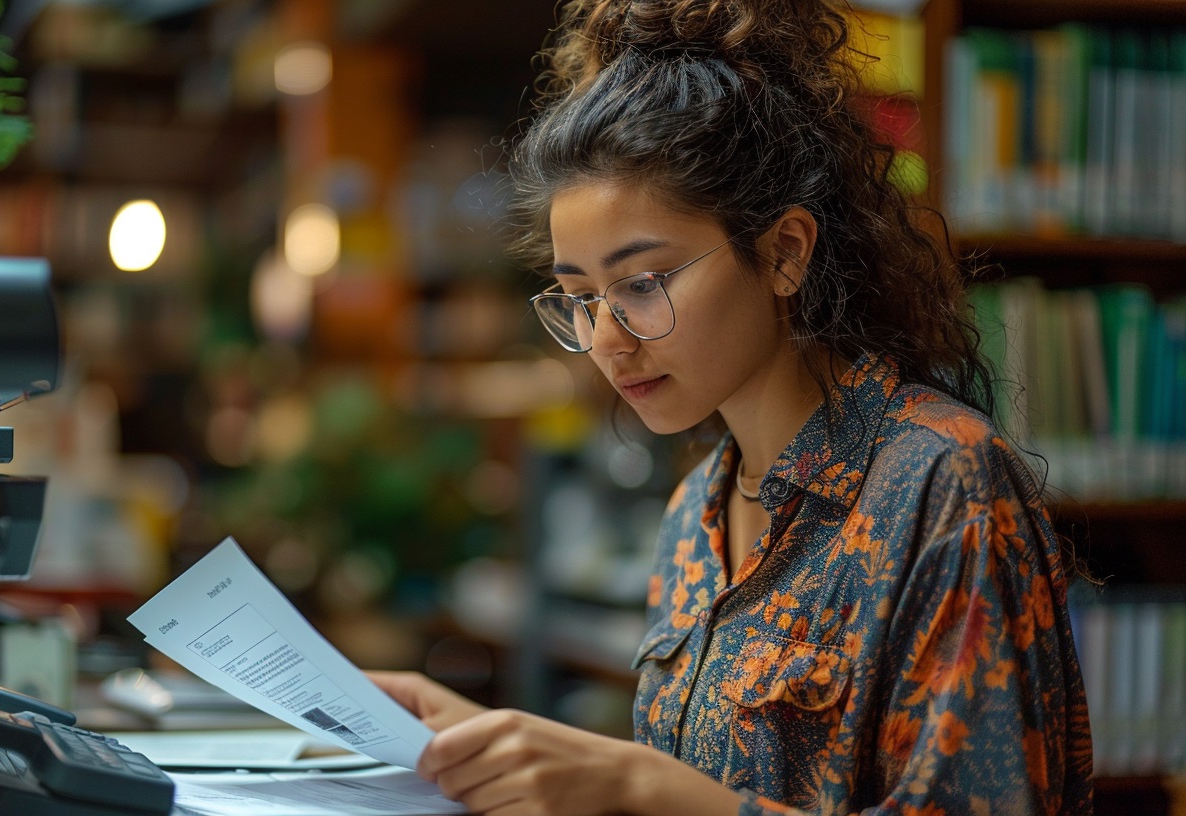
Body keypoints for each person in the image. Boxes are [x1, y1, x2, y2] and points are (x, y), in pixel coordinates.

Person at [367, 0, 1095, 814]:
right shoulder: (695, 515)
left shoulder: (941, 481)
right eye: (579, 298)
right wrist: (492, 749)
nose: (608, 340)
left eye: (642, 284)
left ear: (784, 253)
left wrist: (638, 785)